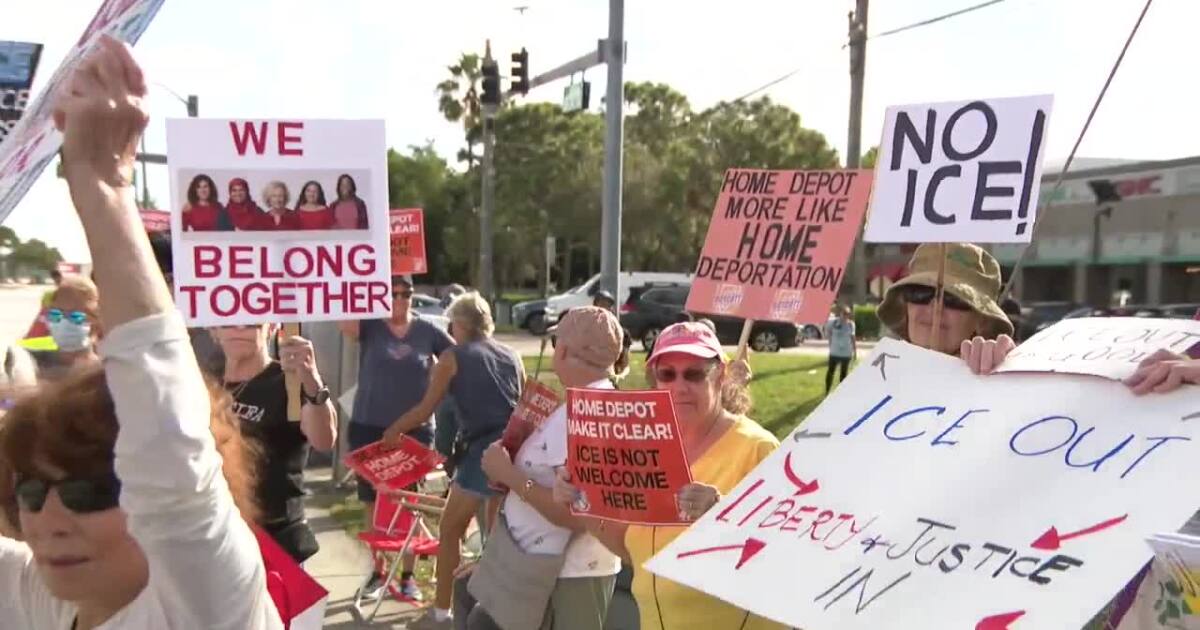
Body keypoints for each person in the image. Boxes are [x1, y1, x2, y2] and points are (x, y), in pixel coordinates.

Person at [0, 35, 282, 628]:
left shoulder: (206, 602)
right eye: (31, 493)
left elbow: (169, 452)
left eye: (90, 493)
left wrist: (102, 184)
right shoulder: (41, 597)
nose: (49, 521)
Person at [555, 321, 786, 630]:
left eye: (694, 374)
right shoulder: (645, 448)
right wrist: (583, 502)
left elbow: (789, 560)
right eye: (667, 374)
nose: (679, 386)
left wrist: (724, 515)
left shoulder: (758, 448)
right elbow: (634, 551)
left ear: (720, 375)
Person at [450, 306, 624, 630]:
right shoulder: (589, 404)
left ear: (565, 350)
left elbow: (578, 515)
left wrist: (509, 474)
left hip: (562, 573)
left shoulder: (588, 412)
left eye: (556, 342)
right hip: (540, 565)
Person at [390, 292, 525, 630]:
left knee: (450, 530)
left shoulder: (452, 358)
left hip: (479, 454)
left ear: (460, 325)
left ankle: (442, 613)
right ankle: (494, 610)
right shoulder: (512, 355)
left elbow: (427, 409)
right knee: (496, 539)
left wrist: (394, 430)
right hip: (513, 452)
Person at [337, 274, 454, 600]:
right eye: (393, 293)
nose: (400, 300)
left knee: (408, 501)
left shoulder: (427, 330)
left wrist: (438, 386)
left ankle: (407, 576)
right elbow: (345, 323)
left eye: (406, 293)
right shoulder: (370, 325)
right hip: (368, 426)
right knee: (372, 500)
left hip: (414, 430)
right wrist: (358, 279)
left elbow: (457, 356)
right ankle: (378, 572)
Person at [210, 323, 337, 563]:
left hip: (275, 541)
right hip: (218, 537)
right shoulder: (205, 382)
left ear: (272, 327)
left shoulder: (290, 381)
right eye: (228, 320)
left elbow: (323, 439)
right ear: (213, 329)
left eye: (252, 322)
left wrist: (312, 382)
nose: (239, 328)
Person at [875, 243, 1016, 374]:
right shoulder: (876, 375)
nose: (935, 306)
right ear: (906, 306)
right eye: (920, 292)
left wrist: (1012, 368)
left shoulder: (993, 381)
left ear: (982, 321)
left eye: (953, 298)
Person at [29, 275, 103, 381]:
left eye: (75, 316)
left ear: (95, 322)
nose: (64, 322)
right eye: (56, 315)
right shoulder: (32, 366)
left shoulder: (105, 373)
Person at [823, 305, 856, 393]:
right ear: (840, 313)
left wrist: (855, 351)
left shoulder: (851, 324)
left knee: (843, 373)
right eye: (844, 313)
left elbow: (853, 338)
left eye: (847, 314)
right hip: (834, 353)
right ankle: (827, 391)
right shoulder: (833, 323)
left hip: (846, 353)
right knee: (831, 371)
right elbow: (828, 333)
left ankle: (840, 393)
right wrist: (831, 344)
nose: (845, 316)